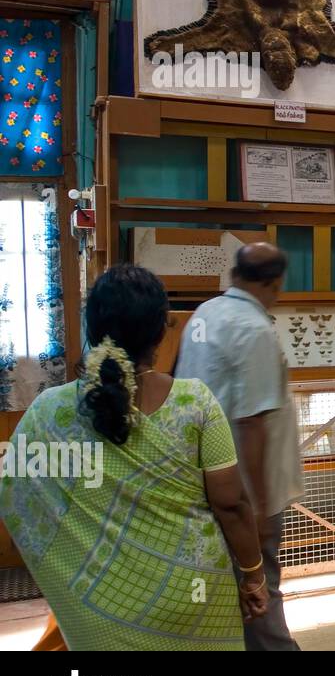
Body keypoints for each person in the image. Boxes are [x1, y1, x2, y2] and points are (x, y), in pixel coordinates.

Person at [0, 265, 267, 650]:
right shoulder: (195, 402)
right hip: (193, 593)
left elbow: (16, 494)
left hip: (100, 606)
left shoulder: (49, 413)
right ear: (161, 330)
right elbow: (232, 504)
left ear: (90, 328)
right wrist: (253, 574)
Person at [176, 243, 303, 650]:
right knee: (261, 590)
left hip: (202, 479)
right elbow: (251, 423)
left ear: (235, 275)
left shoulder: (205, 313)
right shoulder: (255, 330)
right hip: (243, 490)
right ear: (275, 282)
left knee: (232, 591)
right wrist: (261, 508)